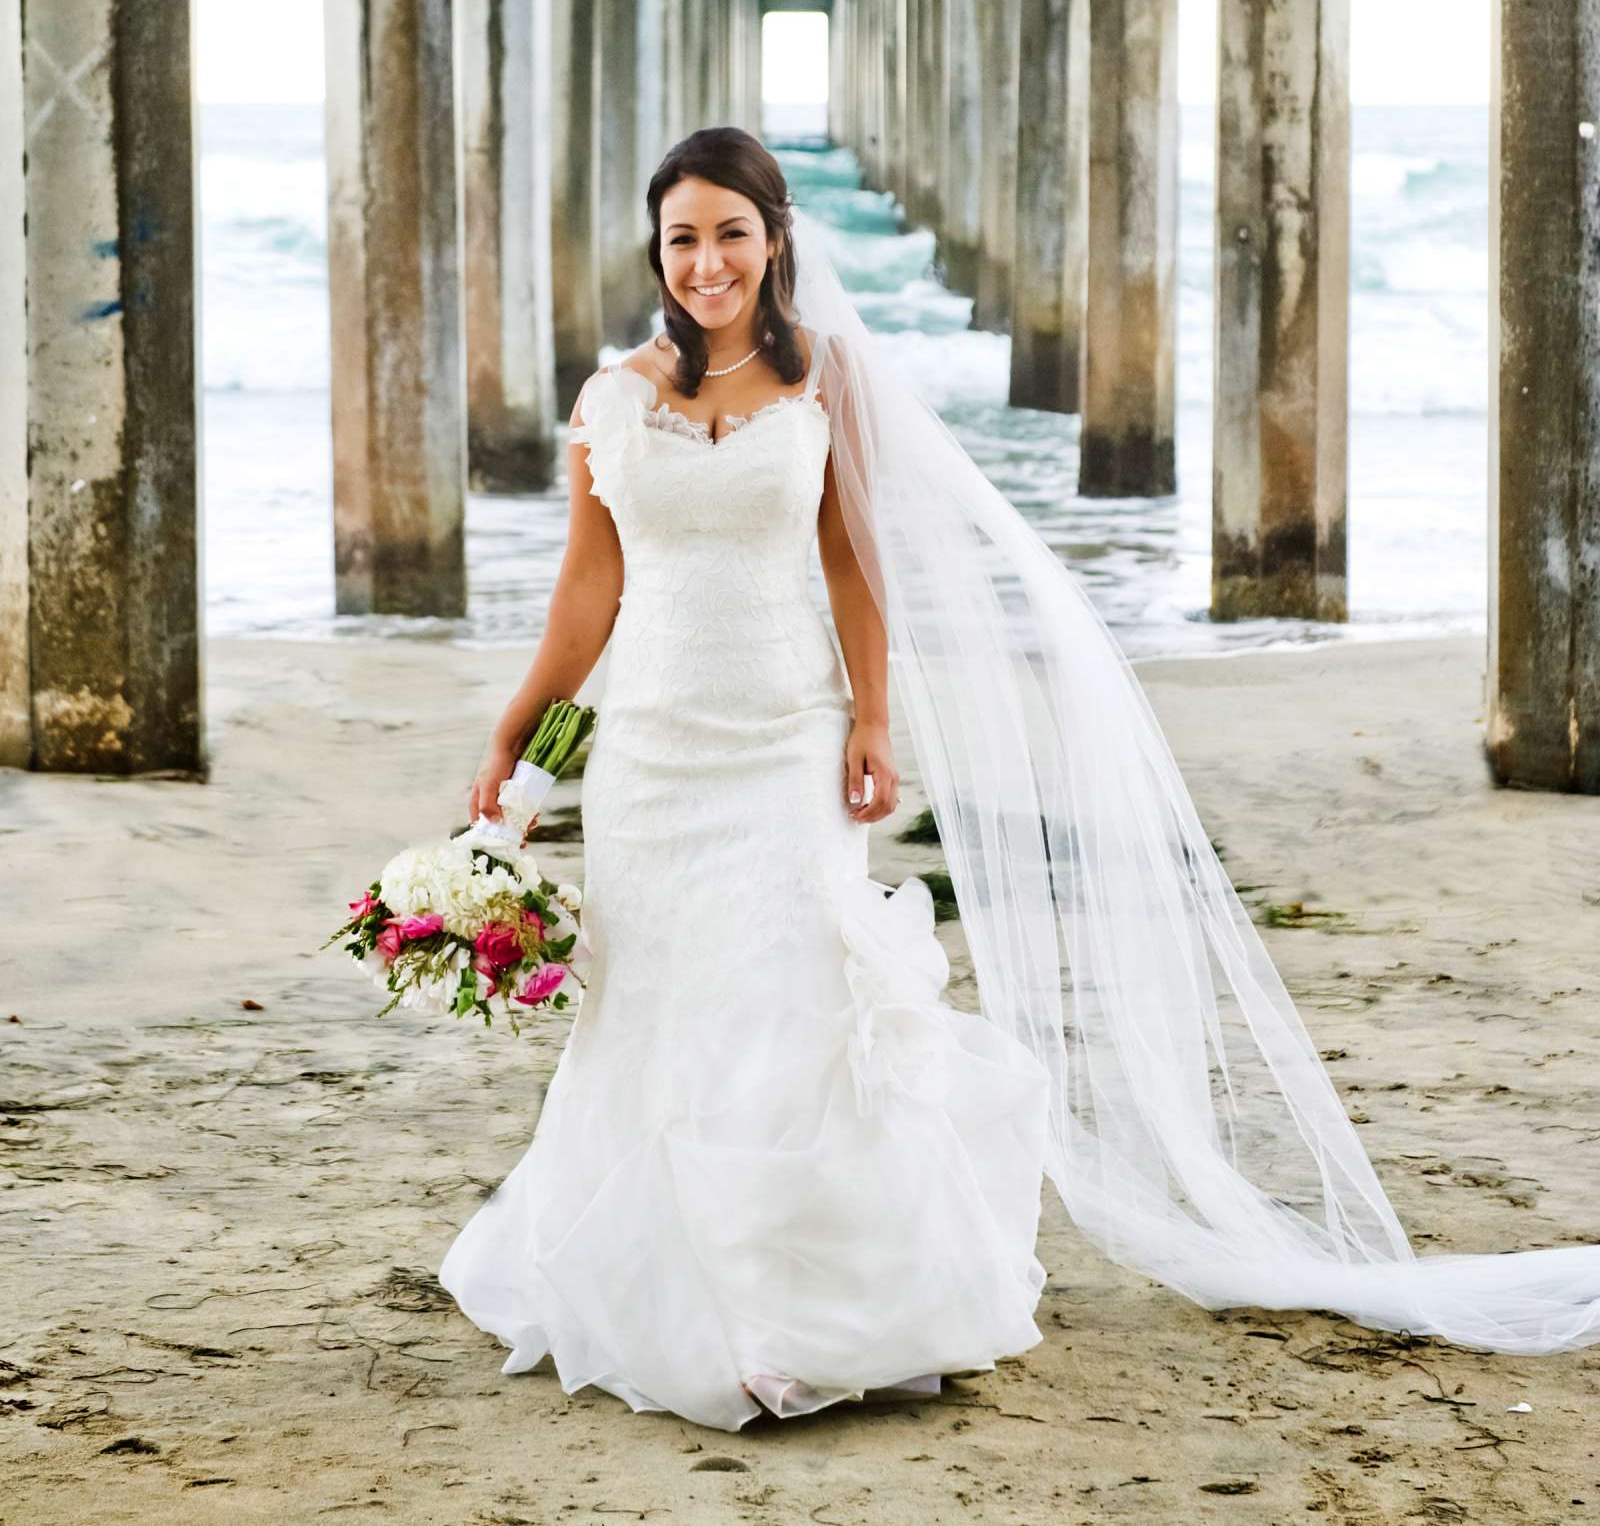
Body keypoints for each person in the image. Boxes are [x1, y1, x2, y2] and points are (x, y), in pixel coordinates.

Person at [440, 127, 1600, 1434]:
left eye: (730, 232)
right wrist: (517, 727)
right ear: (656, 254)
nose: (706, 260)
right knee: (654, 999)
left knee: (791, 992)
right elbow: (589, 591)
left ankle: (793, 1314)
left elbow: (853, 559)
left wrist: (873, 721)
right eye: (681, 238)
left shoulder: (831, 378)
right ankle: (678, 1289)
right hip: (653, 749)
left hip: (784, 741)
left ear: (774, 239)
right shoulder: (612, 398)